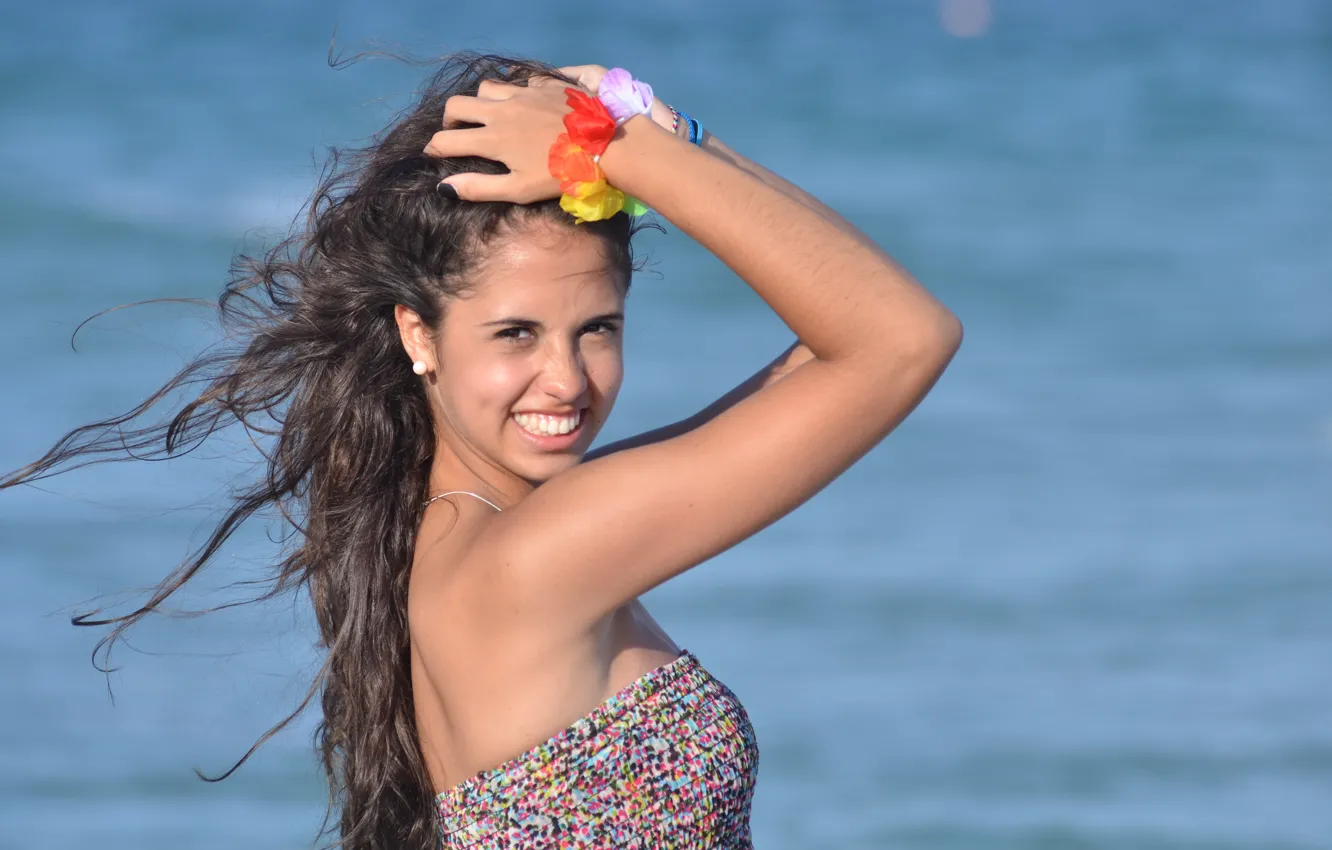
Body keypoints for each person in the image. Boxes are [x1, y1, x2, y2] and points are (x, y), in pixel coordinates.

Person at [3, 53, 961, 849]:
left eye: (597, 329)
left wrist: (658, 136)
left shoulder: (472, 534)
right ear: (418, 334)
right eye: (515, 334)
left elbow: (840, 339)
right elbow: (901, 337)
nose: (566, 380)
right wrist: (623, 151)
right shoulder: (540, 555)